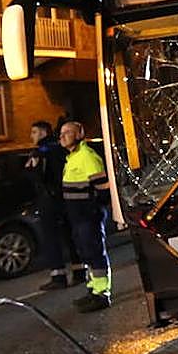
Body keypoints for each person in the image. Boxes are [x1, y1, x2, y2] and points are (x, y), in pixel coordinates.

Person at [58, 120, 112, 312]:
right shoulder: (73, 157)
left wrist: (93, 209)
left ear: (79, 134)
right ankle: (93, 289)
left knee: (95, 253)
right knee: (86, 254)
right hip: (78, 217)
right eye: (61, 133)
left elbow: (104, 189)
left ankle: (102, 294)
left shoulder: (87, 157)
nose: (62, 136)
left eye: (67, 132)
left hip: (88, 216)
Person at [25, 121, 86, 290]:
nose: (32, 136)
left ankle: (58, 275)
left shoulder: (40, 153)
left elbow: (36, 177)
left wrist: (31, 169)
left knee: (51, 238)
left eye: (34, 132)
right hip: (67, 199)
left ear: (43, 133)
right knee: (70, 236)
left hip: (49, 201)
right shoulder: (62, 148)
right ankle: (80, 270)